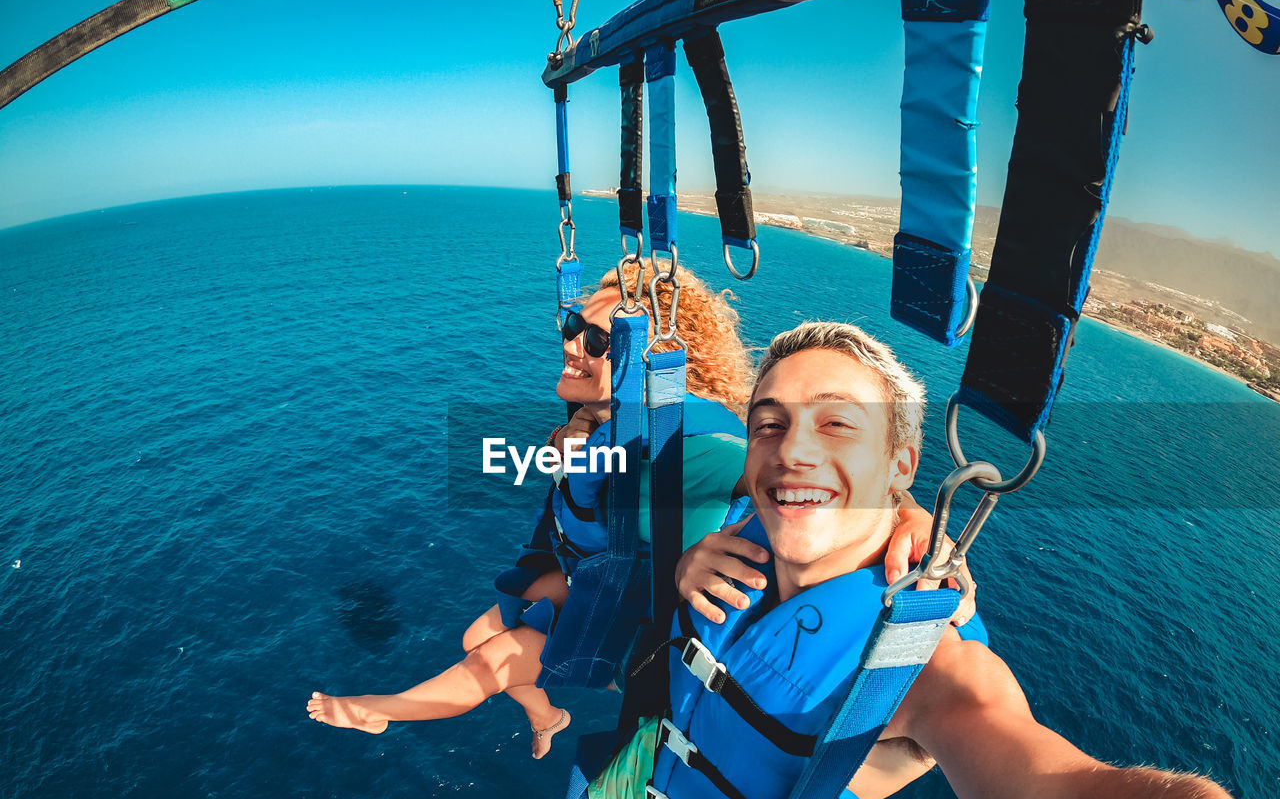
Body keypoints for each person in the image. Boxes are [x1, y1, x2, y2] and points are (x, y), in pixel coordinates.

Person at [464, 321, 1280, 799]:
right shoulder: (744, 525)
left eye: (837, 424)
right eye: (772, 424)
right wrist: (680, 571)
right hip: (644, 764)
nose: (793, 451)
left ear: (901, 462)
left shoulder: (923, 665)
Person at [305, 267, 945, 758]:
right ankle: (546, 716)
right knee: (476, 636)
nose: (573, 345)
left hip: (648, 625)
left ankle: (387, 708)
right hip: (604, 575)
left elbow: (803, 474)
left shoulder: (701, 451)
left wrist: (908, 513)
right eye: (571, 326)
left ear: (658, 362)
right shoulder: (600, 424)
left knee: (496, 659)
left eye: (598, 339)